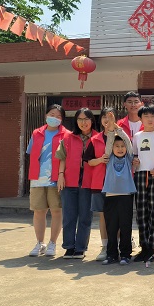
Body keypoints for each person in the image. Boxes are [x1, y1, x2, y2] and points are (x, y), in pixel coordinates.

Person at [26, 104, 69, 257]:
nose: (54, 118)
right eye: (52, 114)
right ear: (45, 115)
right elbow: (30, 153)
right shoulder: (36, 133)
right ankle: (40, 243)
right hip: (37, 178)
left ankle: (52, 243)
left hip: (57, 179)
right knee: (39, 211)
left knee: (57, 210)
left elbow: (67, 157)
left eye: (58, 116)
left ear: (62, 119)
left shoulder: (66, 134)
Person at [56, 107, 97, 259]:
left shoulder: (98, 138)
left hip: (88, 181)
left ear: (92, 120)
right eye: (80, 119)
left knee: (85, 216)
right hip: (69, 181)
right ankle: (69, 247)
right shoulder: (68, 138)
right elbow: (62, 158)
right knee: (69, 216)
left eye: (86, 119)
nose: (83, 122)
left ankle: (80, 248)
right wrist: (61, 175)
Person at [101, 113, 137, 265]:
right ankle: (111, 255)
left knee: (125, 226)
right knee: (111, 227)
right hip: (110, 195)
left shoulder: (129, 158)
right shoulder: (108, 157)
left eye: (122, 146)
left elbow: (127, 141)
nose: (120, 148)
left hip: (126, 196)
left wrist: (117, 127)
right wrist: (111, 128)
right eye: (117, 146)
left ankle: (125, 255)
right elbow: (110, 140)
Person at [132, 104, 154, 263]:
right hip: (140, 175)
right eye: (146, 116)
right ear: (140, 119)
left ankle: (153, 248)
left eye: (153, 116)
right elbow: (134, 155)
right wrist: (134, 161)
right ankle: (144, 247)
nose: (150, 119)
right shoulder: (137, 136)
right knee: (141, 212)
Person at [83, 107, 114, 261]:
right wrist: (100, 160)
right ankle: (105, 246)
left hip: (117, 183)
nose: (107, 120)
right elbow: (89, 161)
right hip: (99, 182)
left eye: (110, 117)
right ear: (100, 120)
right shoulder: (95, 140)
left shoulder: (120, 137)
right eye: (104, 117)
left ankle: (116, 245)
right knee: (102, 215)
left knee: (116, 215)